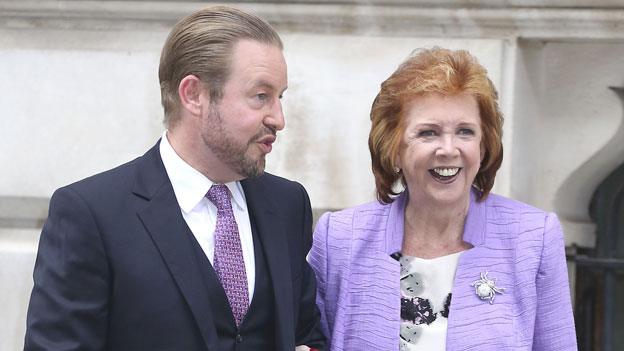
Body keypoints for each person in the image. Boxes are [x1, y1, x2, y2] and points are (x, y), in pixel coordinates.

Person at [24, 6, 324, 351]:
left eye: (280, 97)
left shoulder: (288, 204)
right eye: (261, 96)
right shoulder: (91, 214)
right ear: (193, 94)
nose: (279, 118)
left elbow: (307, 335)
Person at [308, 47, 577, 350]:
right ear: (393, 149)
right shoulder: (340, 239)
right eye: (428, 133)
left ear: (484, 146)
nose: (448, 149)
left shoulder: (534, 237)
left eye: (465, 131)